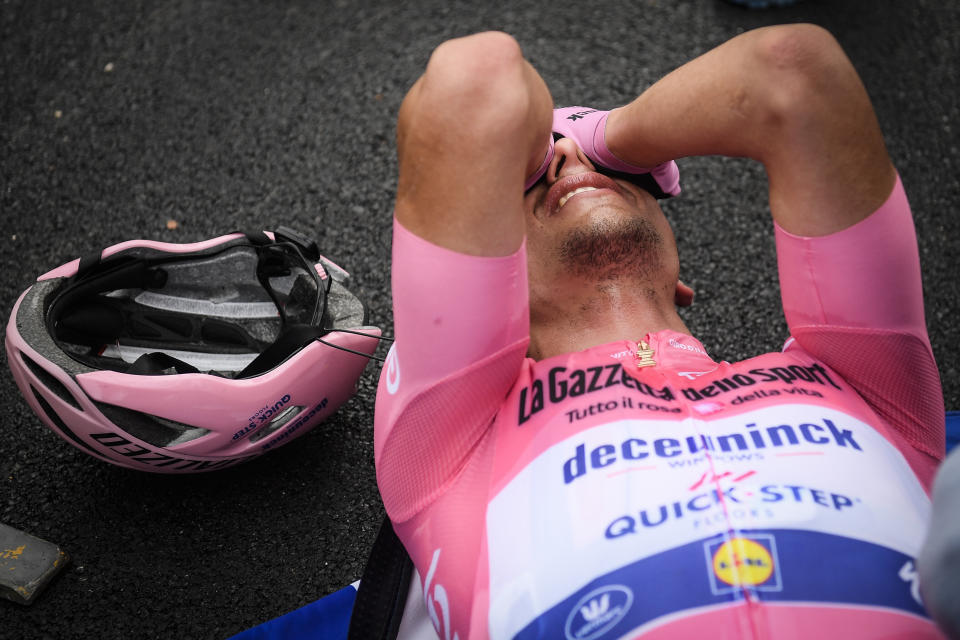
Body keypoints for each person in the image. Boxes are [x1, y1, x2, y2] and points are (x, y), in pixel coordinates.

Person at [374, 24, 946, 639]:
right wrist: (582, 153)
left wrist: (609, 139)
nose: (569, 159)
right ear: (491, 299)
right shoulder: (454, 433)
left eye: (607, 167)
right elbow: (475, 81)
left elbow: (793, 71)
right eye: (534, 174)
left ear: (683, 285)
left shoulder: (863, 376)